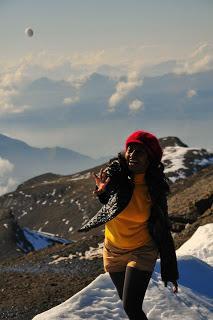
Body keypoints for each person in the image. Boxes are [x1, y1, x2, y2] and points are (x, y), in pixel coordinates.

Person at [78, 130, 179, 320]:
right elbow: (112, 201)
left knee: (131, 306)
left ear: (150, 159)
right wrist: (101, 193)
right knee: (131, 310)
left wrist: (170, 271)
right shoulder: (116, 178)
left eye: (139, 151)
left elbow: (163, 230)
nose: (132, 154)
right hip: (113, 252)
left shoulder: (154, 190)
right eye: (130, 149)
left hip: (142, 251)